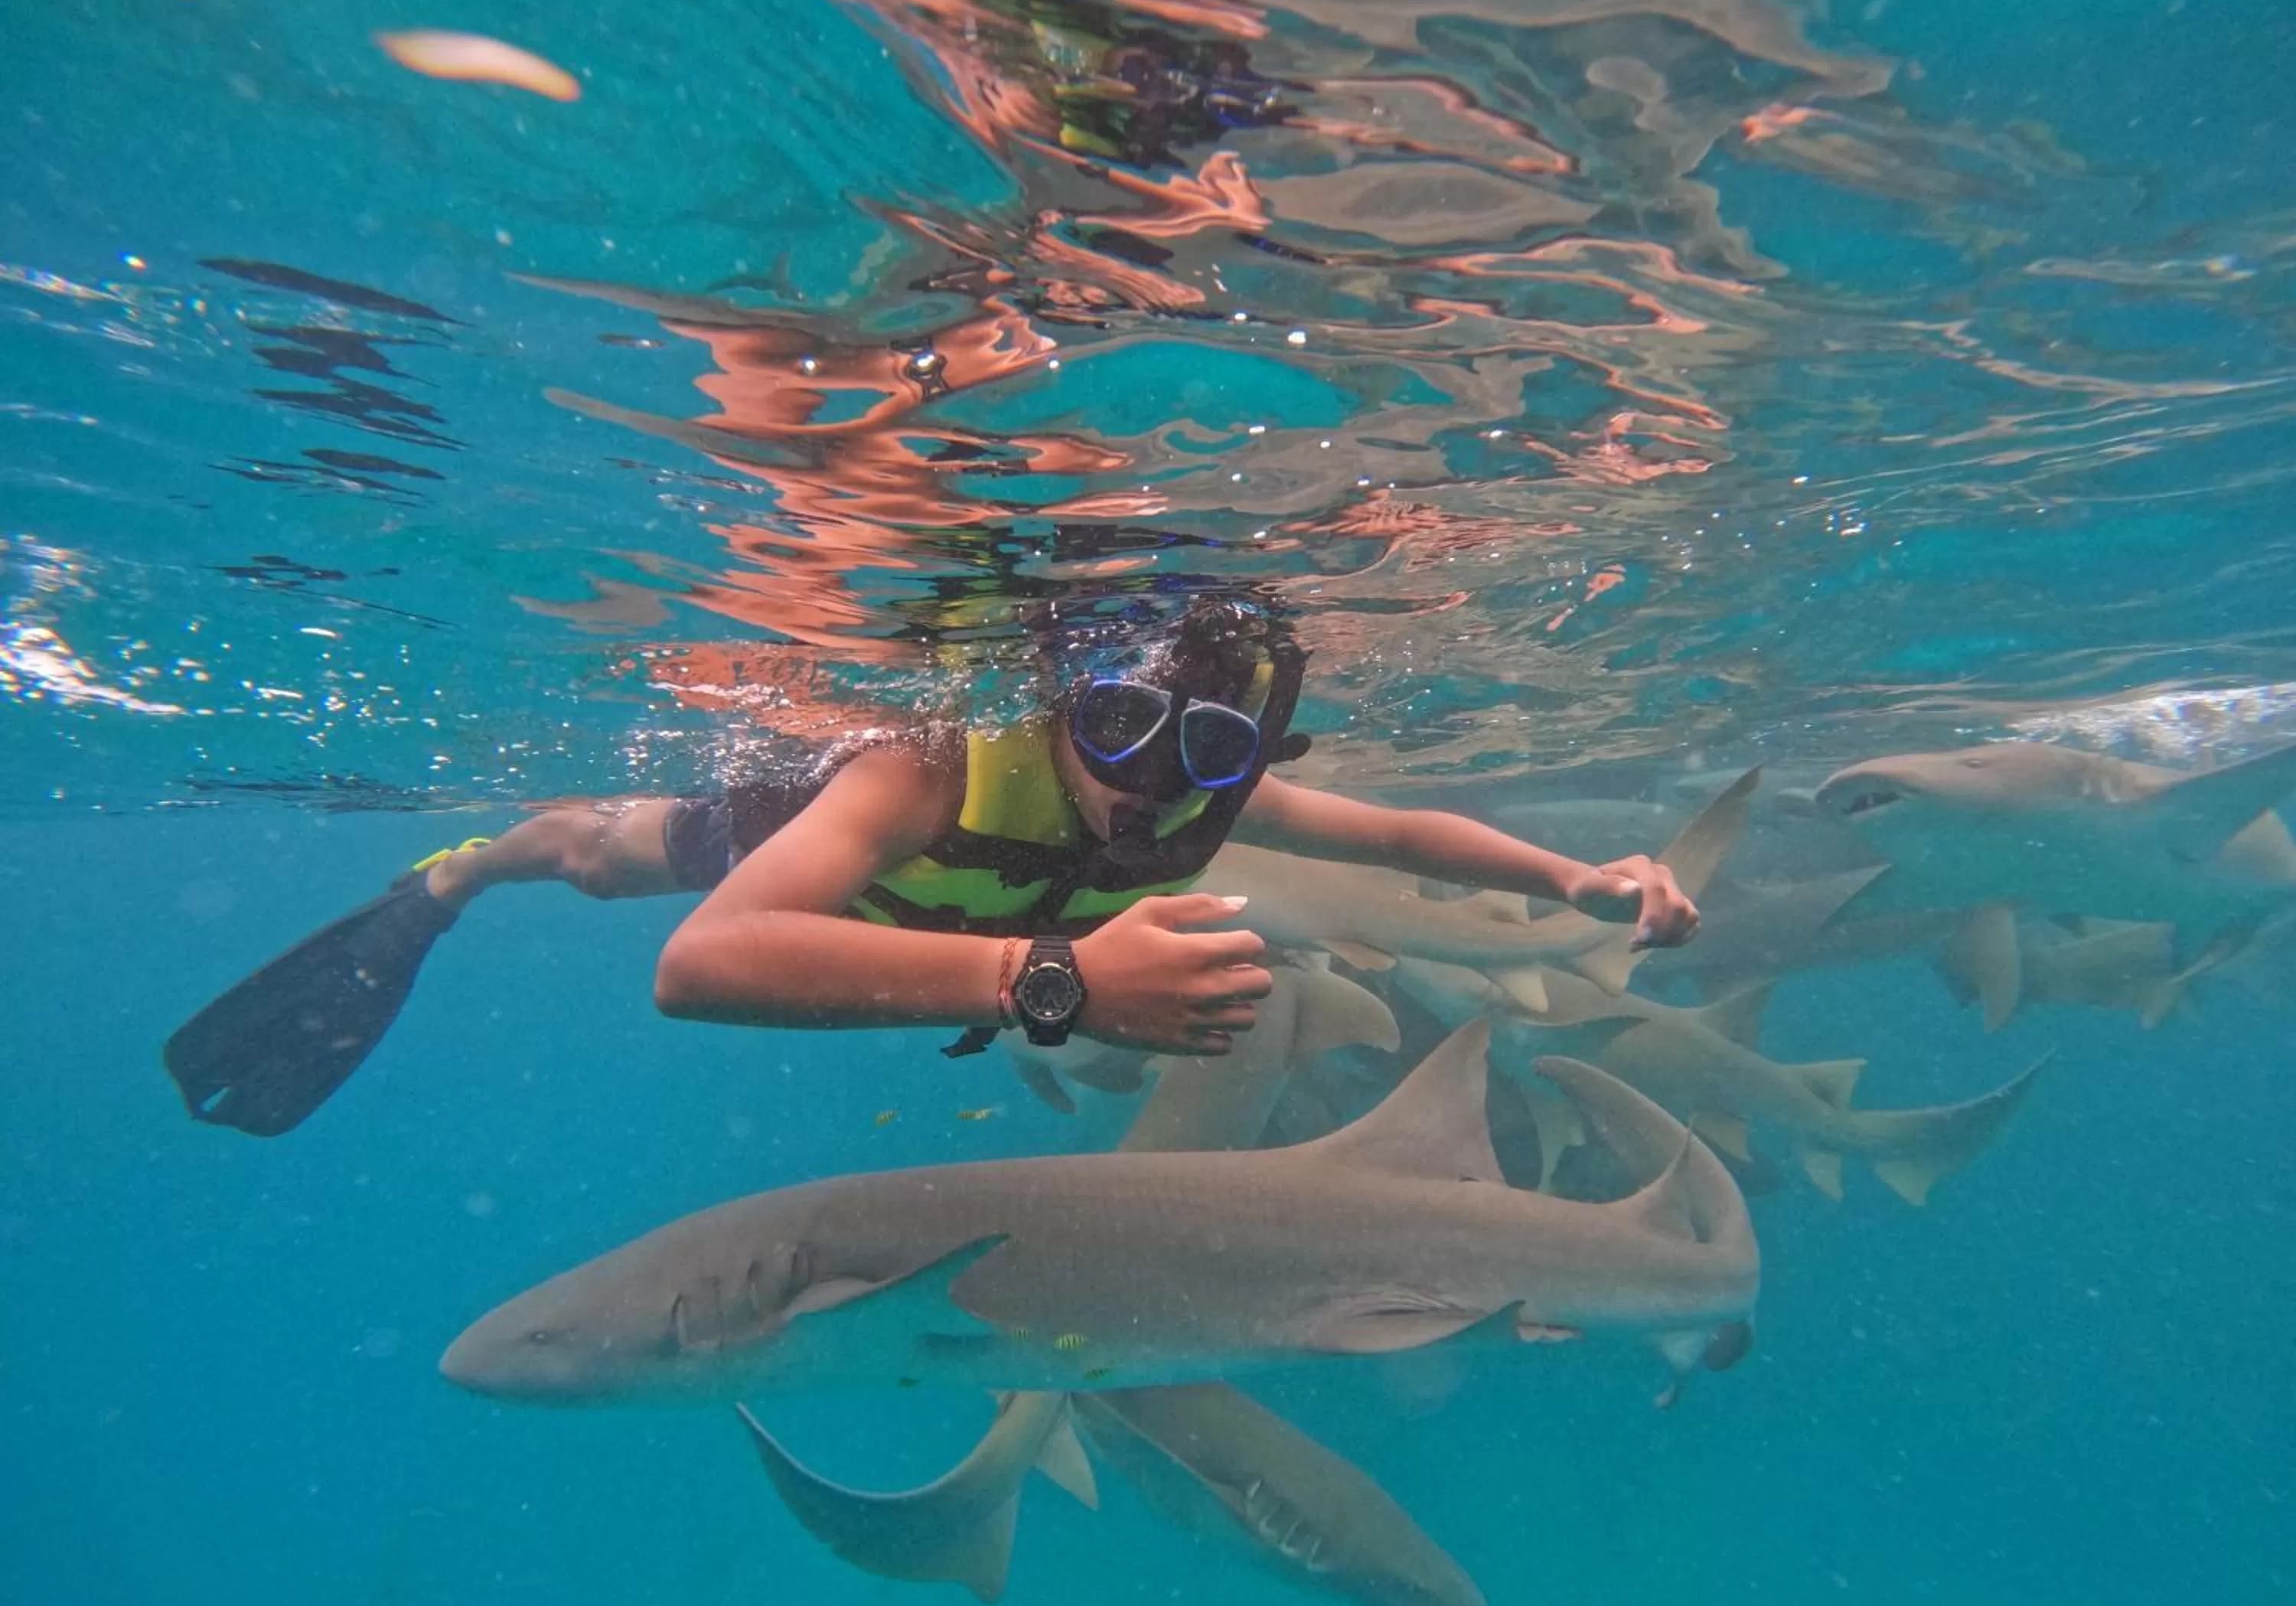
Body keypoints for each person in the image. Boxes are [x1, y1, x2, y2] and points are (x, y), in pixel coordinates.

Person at [164, 596, 1697, 1135]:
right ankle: (449, 879)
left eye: (1210, 755)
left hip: (968, 927)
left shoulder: (1193, 799)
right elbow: (698, 965)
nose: (1147, 787)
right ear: (1062, 703)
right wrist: (1055, 978)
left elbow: (1402, 834)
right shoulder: (921, 768)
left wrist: (1575, 881)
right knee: (599, 853)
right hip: (796, 842)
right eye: (1114, 727)